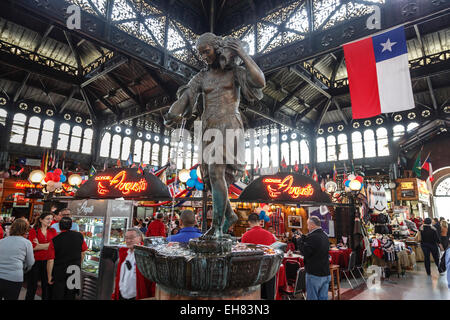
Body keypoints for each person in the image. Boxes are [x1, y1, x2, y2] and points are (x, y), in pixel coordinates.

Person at [164, 33, 265, 239]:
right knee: (210, 178)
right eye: (200, 53)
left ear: (217, 48)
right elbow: (186, 97)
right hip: (208, 127)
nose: (203, 56)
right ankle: (228, 214)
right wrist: (173, 113)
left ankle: (217, 228)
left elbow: (259, 81)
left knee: (217, 172)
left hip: (229, 124)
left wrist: (243, 54)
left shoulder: (235, 72)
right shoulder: (201, 77)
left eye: (206, 51)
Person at [46, 217, 88, 300]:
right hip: (74, 269)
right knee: (71, 295)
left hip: (60, 271)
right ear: (71, 226)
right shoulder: (79, 236)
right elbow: (83, 252)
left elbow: (50, 260)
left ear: (59, 226)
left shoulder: (55, 240)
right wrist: (78, 263)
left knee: (58, 294)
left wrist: (49, 276)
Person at [111, 228, 155, 300]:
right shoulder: (124, 254)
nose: (128, 240)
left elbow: (152, 282)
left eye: (131, 237)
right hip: (121, 296)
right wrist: (114, 295)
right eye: (126, 238)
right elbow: (119, 277)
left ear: (140, 238)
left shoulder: (147, 256)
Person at [241, 213, 277, 299]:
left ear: (249, 222)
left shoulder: (245, 236)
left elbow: (242, 252)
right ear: (260, 222)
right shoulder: (270, 235)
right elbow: (275, 251)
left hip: (252, 271)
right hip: (268, 269)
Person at [296, 216, 331, 300]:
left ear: (312, 225)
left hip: (315, 273)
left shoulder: (313, 237)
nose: (307, 227)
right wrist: (303, 238)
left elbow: (306, 252)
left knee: (312, 298)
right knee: (323, 298)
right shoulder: (325, 235)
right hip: (325, 272)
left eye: (308, 225)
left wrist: (299, 241)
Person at [0, 219, 35, 300]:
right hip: (14, 277)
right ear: (25, 230)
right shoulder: (26, 243)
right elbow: (30, 262)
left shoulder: (1, 241)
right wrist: (24, 269)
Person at [26, 212, 57, 300]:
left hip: (48, 261)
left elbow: (55, 245)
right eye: (48, 219)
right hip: (35, 261)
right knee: (32, 286)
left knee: (46, 285)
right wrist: (49, 245)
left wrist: (40, 245)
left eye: (51, 219)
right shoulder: (34, 230)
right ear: (41, 220)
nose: (50, 221)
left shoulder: (52, 231)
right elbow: (33, 247)